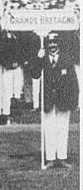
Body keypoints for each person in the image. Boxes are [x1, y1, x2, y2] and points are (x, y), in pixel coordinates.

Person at [30, 32, 78, 168]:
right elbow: (34, 74)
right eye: (50, 43)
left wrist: (73, 101)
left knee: (62, 128)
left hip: (64, 100)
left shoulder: (66, 59)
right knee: (49, 128)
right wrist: (38, 59)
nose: (52, 46)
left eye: (55, 43)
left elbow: (73, 82)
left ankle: (62, 157)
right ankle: (50, 157)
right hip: (48, 99)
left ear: (59, 44)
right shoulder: (43, 58)